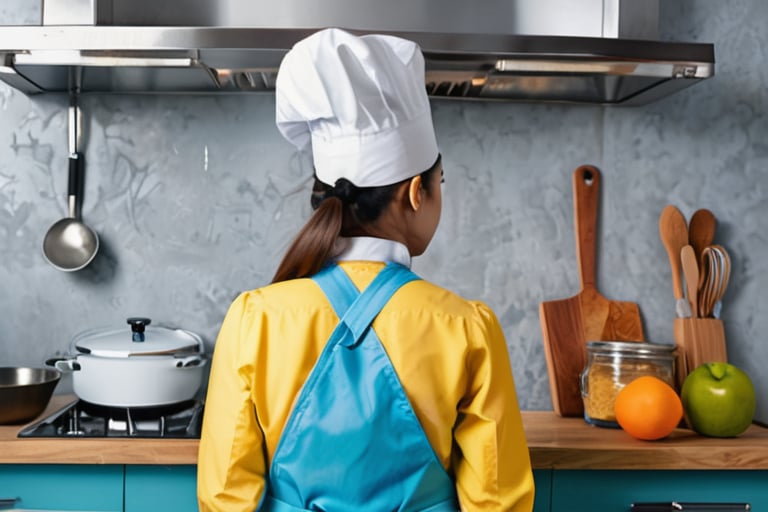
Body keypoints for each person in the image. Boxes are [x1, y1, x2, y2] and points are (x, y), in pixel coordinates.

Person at [197, 27, 534, 512]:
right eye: (441, 183)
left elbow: (226, 497)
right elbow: (498, 502)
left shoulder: (256, 319)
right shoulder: (466, 329)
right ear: (418, 192)